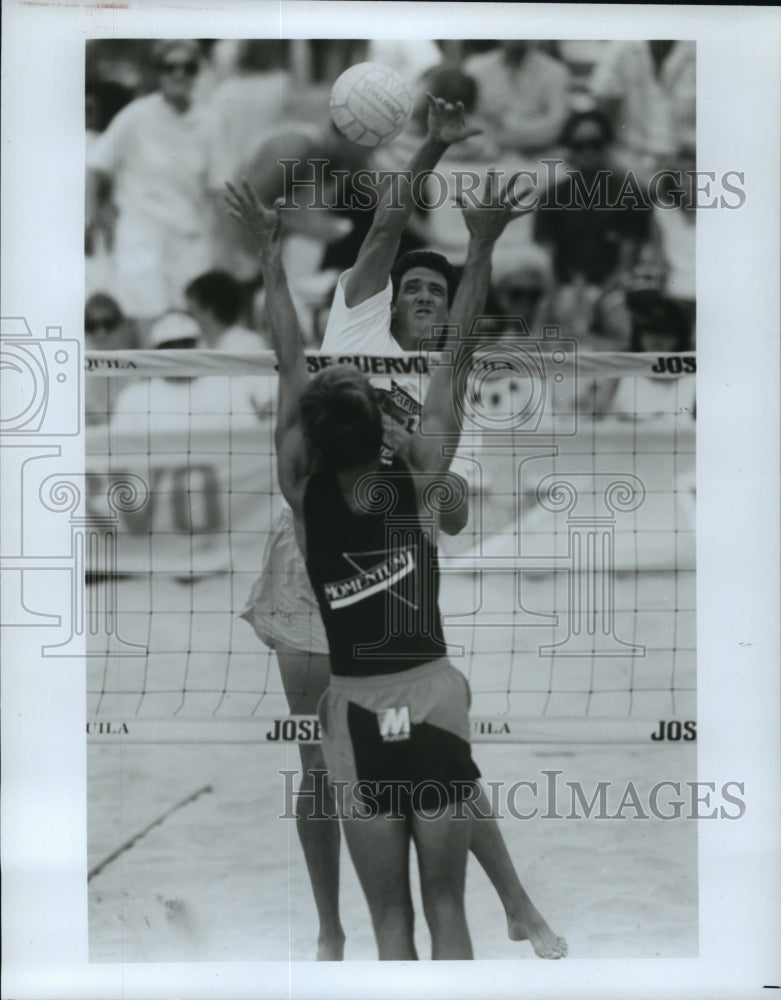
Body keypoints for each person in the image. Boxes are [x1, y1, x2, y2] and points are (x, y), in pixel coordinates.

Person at [233, 95, 566, 962]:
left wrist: (268, 262)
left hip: (360, 579)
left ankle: (507, 903)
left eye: (435, 288)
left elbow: (447, 506)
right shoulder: (356, 323)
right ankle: (328, 928)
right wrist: (435, 161)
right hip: (341, 588)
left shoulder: (335, 452)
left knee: (388, 781)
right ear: (389, 299)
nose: (420, 292)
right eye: (411, 285)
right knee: (326, 768)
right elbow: (384, 235)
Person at [86, 40, 220, 325]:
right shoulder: (136, 116)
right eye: (169, 67)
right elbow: (96, 167)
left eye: (188, 67)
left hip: (189, 242)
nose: (178, 74)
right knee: (143, 323)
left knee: (190, 326)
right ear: (158, 73)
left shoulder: (211, 122)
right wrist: (96, 220)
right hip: (141, 238)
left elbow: (220, 187)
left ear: (198, 72)